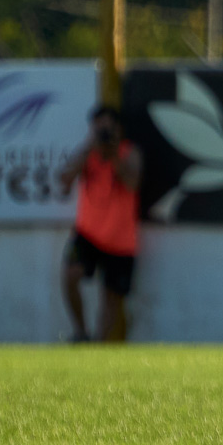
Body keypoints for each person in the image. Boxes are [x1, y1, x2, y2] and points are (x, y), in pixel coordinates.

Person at [58, 105, 143, 343]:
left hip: (120, 240)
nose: (104, 133)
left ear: (118, 129)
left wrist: (113, 154)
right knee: (70, 276)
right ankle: (81, 332)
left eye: (109, 127)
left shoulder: (129, 153)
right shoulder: (88, 154)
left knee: (112, 298)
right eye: (99, 127)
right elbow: (64, 181)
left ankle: (100, 346)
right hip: (87, 233)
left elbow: (132, 183)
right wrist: (89, 149)